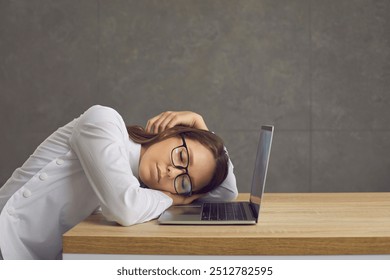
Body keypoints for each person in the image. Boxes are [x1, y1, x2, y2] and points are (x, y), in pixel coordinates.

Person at [0, 105, 237, 260]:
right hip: (6, 243)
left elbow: (225, 193)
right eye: (181, 156)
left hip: (35, 260)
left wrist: (203, 129)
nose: (170, 172)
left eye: (183, 181)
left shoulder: (139, 186)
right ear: (172, 132)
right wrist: (174, 197)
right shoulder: (104, 121)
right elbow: (123, 207)